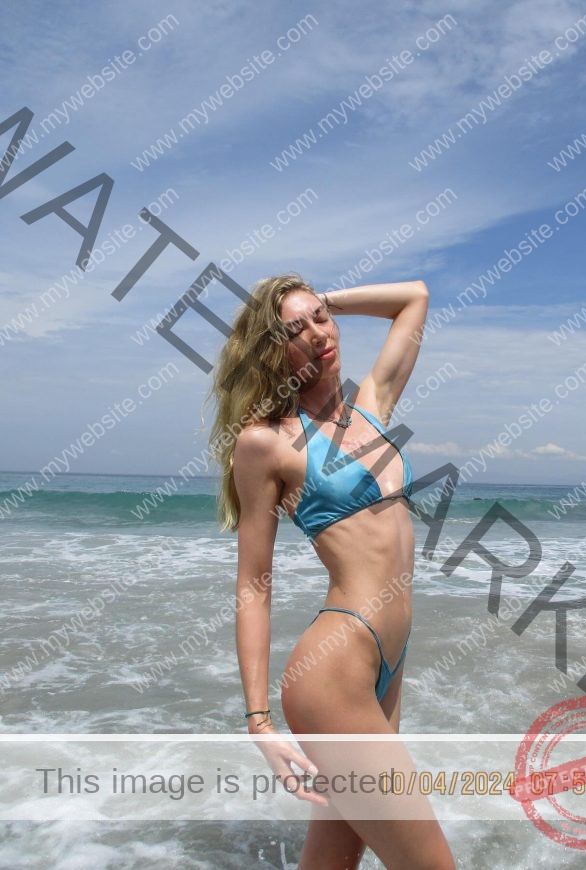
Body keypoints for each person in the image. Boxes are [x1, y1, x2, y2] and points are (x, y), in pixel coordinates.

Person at [211, 274, 456, 869]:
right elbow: (253, 584)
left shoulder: (373, 404)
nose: (320, 334)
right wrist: (259, 723)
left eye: (322, 319)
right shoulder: (266, 444)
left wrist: (327, 299)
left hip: (388, 667)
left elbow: (416, 297)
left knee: (331, 863)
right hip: (336, 671)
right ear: (274, 350)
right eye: (296, 330)